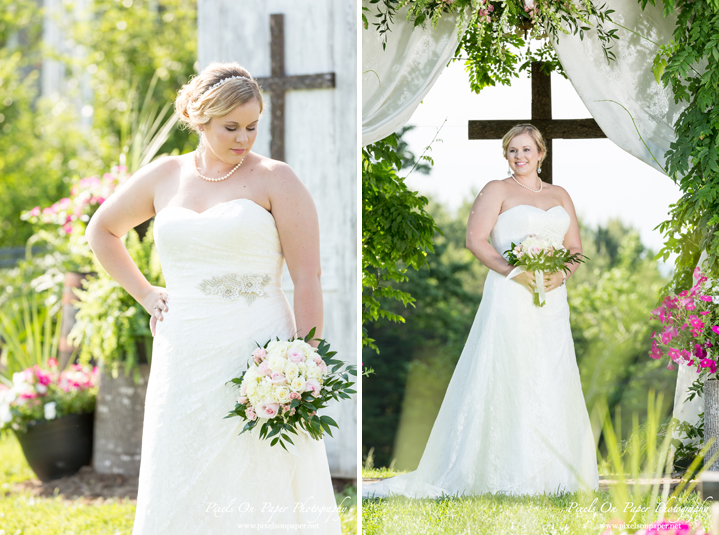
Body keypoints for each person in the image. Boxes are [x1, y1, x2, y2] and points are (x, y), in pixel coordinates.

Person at [85, 62, 342, 533]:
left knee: (257, 466)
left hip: (259, 347)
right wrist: (144, 293)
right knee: (183, 459)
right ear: (200, 118)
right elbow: (102, 230)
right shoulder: (166, 175)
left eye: (252, 126)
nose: (243, 138)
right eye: (231, 127)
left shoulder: (277, 179)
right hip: (184, 348)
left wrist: (300, 363)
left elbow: (308, 277)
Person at [362, 124, 599, 499]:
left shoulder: (560, 194)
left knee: (552, 370)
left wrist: (561, 275)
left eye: (525, 150)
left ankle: (556, 473)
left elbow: (574, 246)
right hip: (511, 295)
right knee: (512, 371)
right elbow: (474, 239)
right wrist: (514, 272)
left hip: (553, 299)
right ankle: (507, 470)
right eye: (511, 151)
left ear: (541, 153)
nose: (519, 157)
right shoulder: (496, 190)